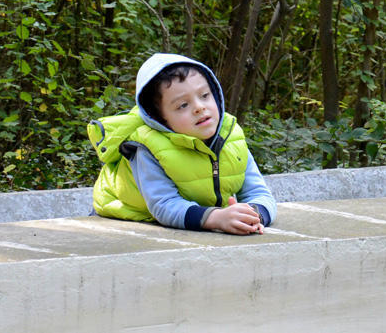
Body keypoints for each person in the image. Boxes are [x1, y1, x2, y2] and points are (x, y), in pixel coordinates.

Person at [88, 53, 276, 234]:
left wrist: (253, 215)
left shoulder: (230, 136)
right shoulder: (145, 146)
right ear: (159, 119)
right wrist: (216, 218)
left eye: (204, 95)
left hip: (191, 218)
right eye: (183, 105)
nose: (199, 107)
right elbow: (164, 205)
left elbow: (259, 192)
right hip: (119, 223)